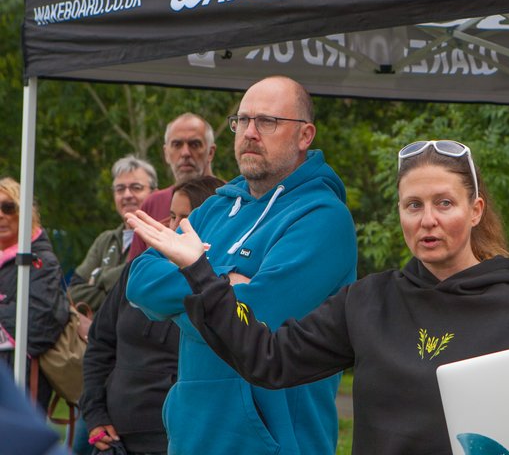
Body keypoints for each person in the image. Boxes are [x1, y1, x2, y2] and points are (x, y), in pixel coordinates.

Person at [128, 139, 509, 455]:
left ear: (475, 211)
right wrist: (201, 274)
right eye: (413, 205)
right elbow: (267, 359)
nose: (428, 220)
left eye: (444, 204)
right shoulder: (370, 301)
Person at [126, 76, 358, 455]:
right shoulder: (217, 206)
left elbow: (255, 318)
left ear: (305, 136)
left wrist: (191, 285)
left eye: (267, 121)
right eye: (242, 120)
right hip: (191, 438)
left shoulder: (324, 218)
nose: (250, 133)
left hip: (274, 443)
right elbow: (138, 282)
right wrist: (223, 287)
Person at [81, 176, 225, 455]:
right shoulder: (140, 272)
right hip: (116, 438)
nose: (172, 227)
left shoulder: (219, 284)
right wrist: (95, 414)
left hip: (181, 437)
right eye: (172, 216)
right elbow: (100, 343)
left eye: (185, 219)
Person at [0, 177, 69, 410]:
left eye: (8, 208)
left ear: (24, 213)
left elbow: (39, 322)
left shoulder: (40, 261)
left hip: (19, 380)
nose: (1, 215)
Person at [69, 156, 157, 312]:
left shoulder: (159, 239)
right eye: (120, 189)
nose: (127, 195)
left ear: (155, 193)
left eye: (136, 187)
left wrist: (100, 278)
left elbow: (145, 288)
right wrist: (117, 291)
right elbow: (73, 293)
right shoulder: (105, 240)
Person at [126, 112, 217, 261]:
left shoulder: (232, 200)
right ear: (166, 153)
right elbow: (131, 274)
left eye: (194, 144)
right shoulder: (152, 204)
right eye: (177, 144)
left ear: (210, 152)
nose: (185, 153)